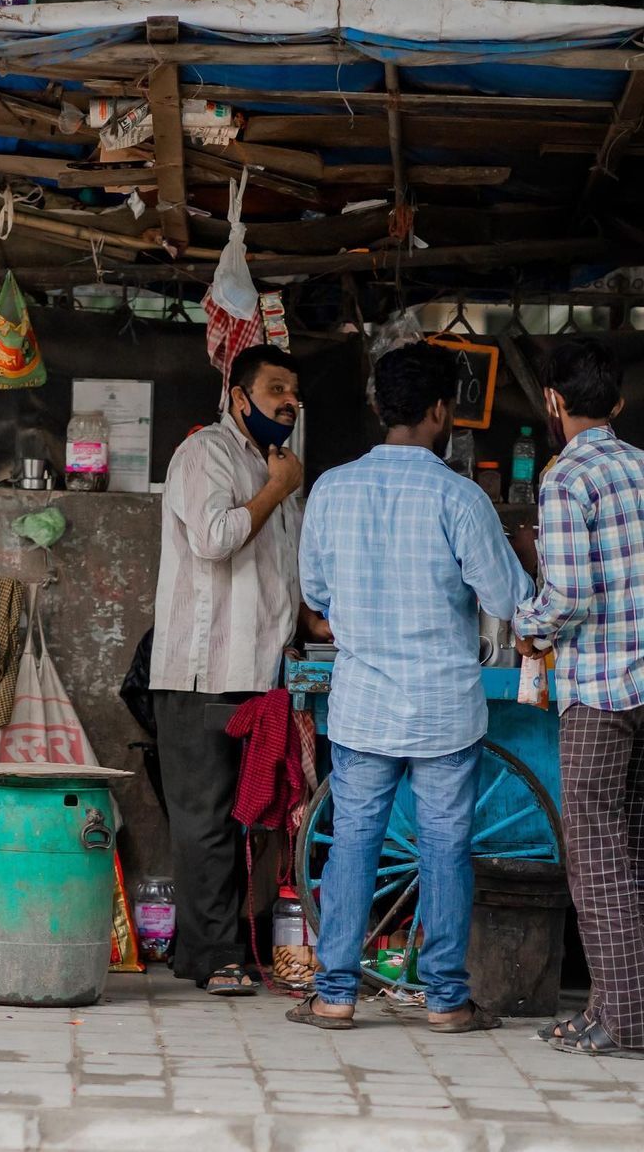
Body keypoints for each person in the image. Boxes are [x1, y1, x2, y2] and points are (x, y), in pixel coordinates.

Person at [291, 341, 532, 1033]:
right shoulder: (460, 495)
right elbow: (507, 596)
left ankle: (335, 992)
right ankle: (447, 999)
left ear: (377, 407)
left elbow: (316, 593)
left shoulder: (332, 489)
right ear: (439, 411)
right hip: (444, 706)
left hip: (364, 702)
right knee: (445, 846)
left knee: (355, 841)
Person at [150, 344, 323, 996]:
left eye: (294, 392)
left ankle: (209, 947)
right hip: (203, 670)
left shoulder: (276, 467)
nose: (288, 401)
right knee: (206, 817)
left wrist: (311, 620)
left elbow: (283, 570)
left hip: (260, 672)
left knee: (245, 816)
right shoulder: (206, 455)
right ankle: (217, 952)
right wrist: (278, 489)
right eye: (275, 387)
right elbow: (214, 540)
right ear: (239, 396)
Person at [513, 336, 644, 1059]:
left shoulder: (566, 479)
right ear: (618, 403)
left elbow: (567, 595)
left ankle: (621, 1018)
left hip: (600, 690)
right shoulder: (642, 468)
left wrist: (525, 627)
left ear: (555, 403)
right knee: (634, 848)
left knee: (595, 852)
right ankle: (612, 1007)